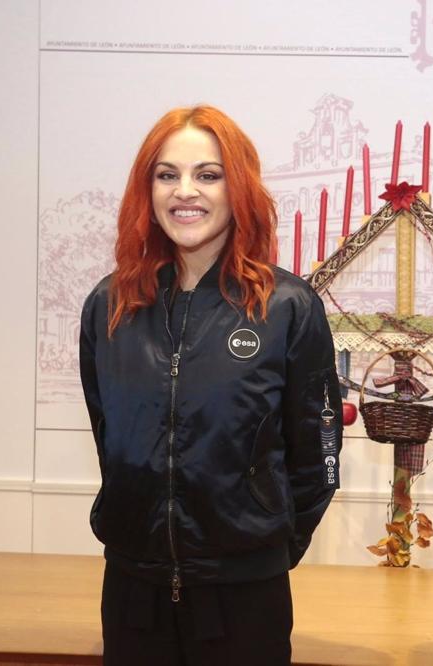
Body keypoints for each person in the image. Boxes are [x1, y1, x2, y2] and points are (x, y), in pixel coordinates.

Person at [79, 105, 342, 665]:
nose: (185, 192)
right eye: (167, 174)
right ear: (147, 190)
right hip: (132, 589)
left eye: (208, 174)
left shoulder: (288, 308)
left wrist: (268, 547)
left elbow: (318, 450)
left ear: (238, 187)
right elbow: (109, 435)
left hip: (244, 596)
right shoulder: (110, 305)